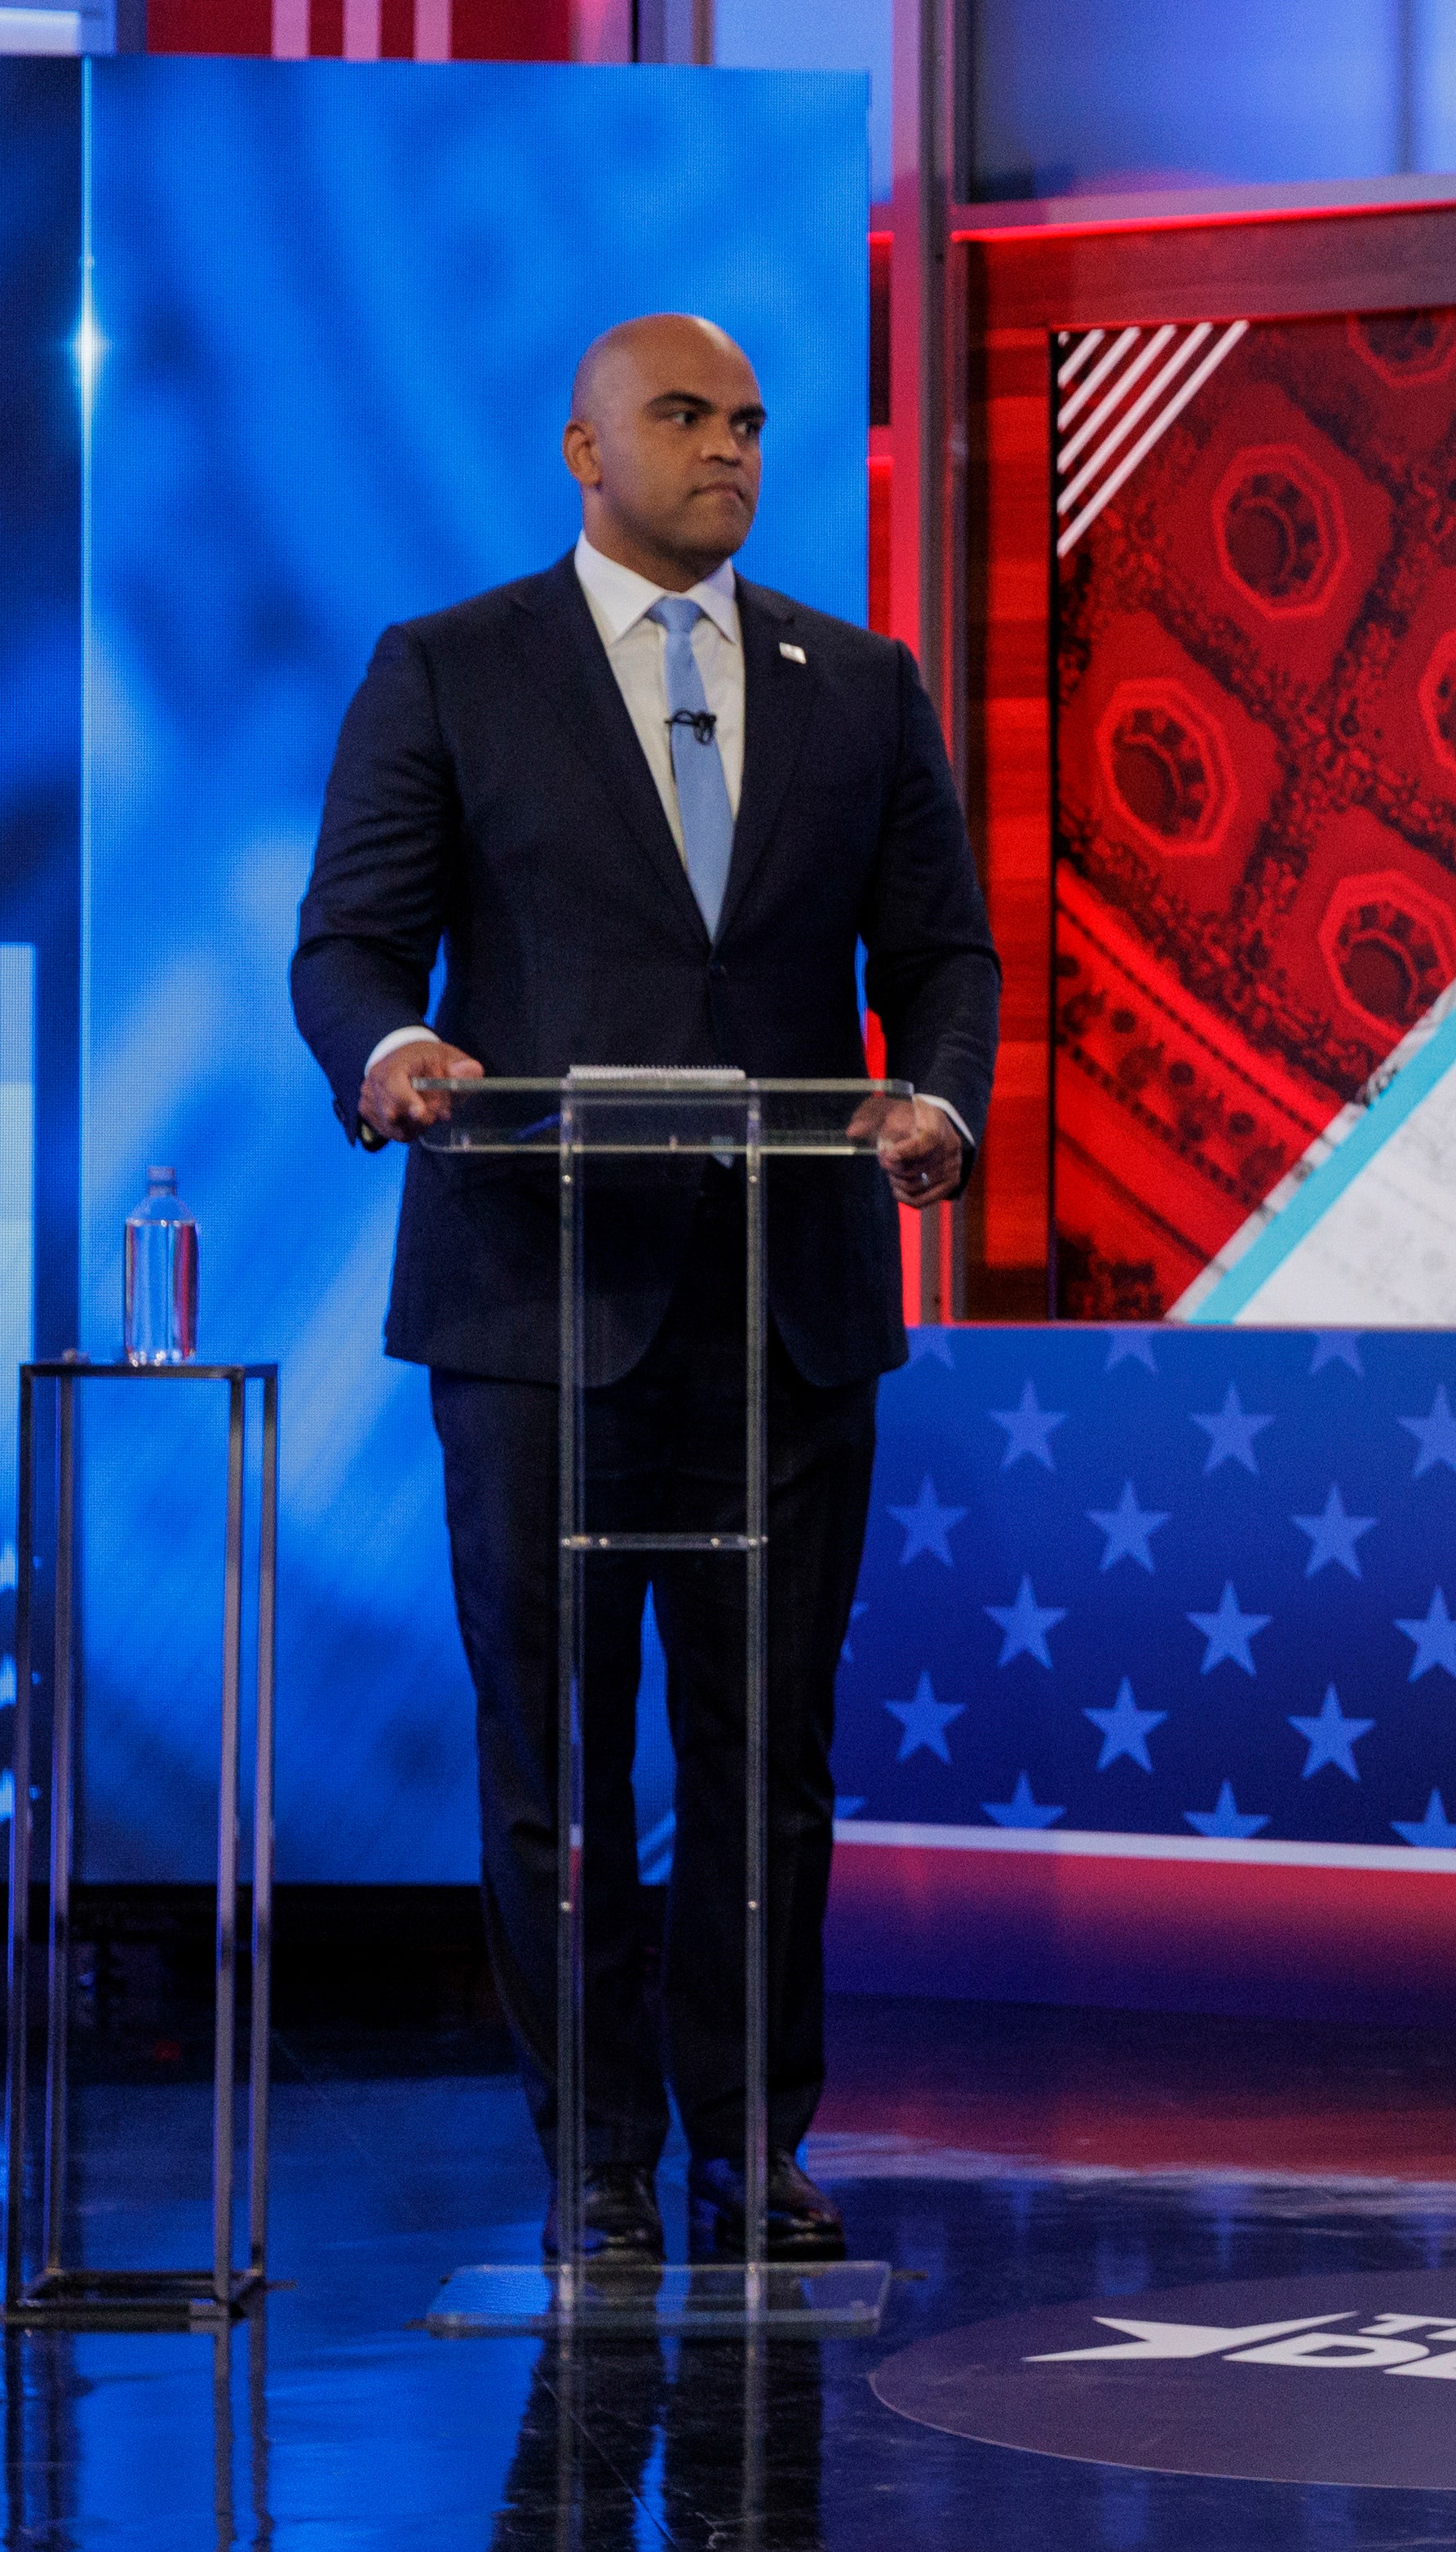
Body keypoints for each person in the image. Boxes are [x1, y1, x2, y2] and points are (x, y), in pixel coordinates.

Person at [290, 315, 998, 2266]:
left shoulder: (857, 685)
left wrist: (936, 1095)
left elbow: (942, 954)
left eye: (751, 425)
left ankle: (749, 2150)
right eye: (685, 419)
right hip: (538, 1310)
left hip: (787, 1311)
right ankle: (592, 2161)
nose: (729, 452)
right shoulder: (449, 668)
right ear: (583, 451)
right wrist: (392, 1058)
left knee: (769, 1760)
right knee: (559, 1762)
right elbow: (352, 945)